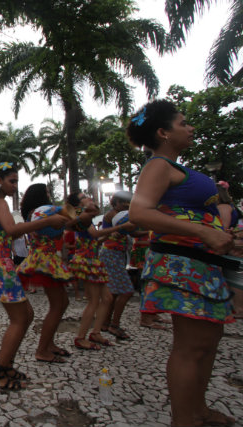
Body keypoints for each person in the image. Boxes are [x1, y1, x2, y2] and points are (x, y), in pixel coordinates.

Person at [128, 100, 235, 427]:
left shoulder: (174, 168)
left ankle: (198, 410)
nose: (191, 128)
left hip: (201, 264)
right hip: (183, 266)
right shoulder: (158, 166)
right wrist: (203, 231)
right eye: (183, 123)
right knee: (190, 346)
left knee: (208, 340)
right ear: (163, 132)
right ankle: (184, 419)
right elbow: (139, 213)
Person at [0, 163, 68, 390]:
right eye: (12, 181)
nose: (16, 186)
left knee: (27, 314)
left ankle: (6, 366)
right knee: (20, 319)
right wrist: (47, 221)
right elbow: (11, 230)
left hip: (1, 264)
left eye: (17, 181)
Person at [16, 183, 73, 363]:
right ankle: (42, 349)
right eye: (47, 192)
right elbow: (71, 216)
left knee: (62, 303)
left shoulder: (35, 213)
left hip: (46, 259)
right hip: (45, 260)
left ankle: (49, 344)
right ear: (41, 195)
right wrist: (77, 206)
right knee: (58, 305)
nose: (49, 194)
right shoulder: (43, 212)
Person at [69, 193, 130, 350]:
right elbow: (95, 234)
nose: (89, 197)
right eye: (83, 196)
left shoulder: (84, 215)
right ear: (78, 204)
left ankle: (95, 332)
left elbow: (93, 239)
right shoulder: (81, 215)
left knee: (107, 298)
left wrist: (110, 234)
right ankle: (80, 337)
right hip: (86, 261)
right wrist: (120, 227)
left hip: (92, 260)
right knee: (94, 301)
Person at [99, 191, 136, 340]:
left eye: (128, 203)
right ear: (115, 203)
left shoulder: (121, 215)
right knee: (127, 291)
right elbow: (132, 229)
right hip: (111, 254)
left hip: (116, 254)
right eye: (124, 203)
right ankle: (114, 324)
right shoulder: (114, 215)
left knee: (114, 292)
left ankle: (106, 323)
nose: (126, 206)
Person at [216, 181, 243, 318]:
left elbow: (223, 228)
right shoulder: (229, 206)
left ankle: (238, 308)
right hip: (233, 243)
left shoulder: (223, 207)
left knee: (234, 275)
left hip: (229, 244)